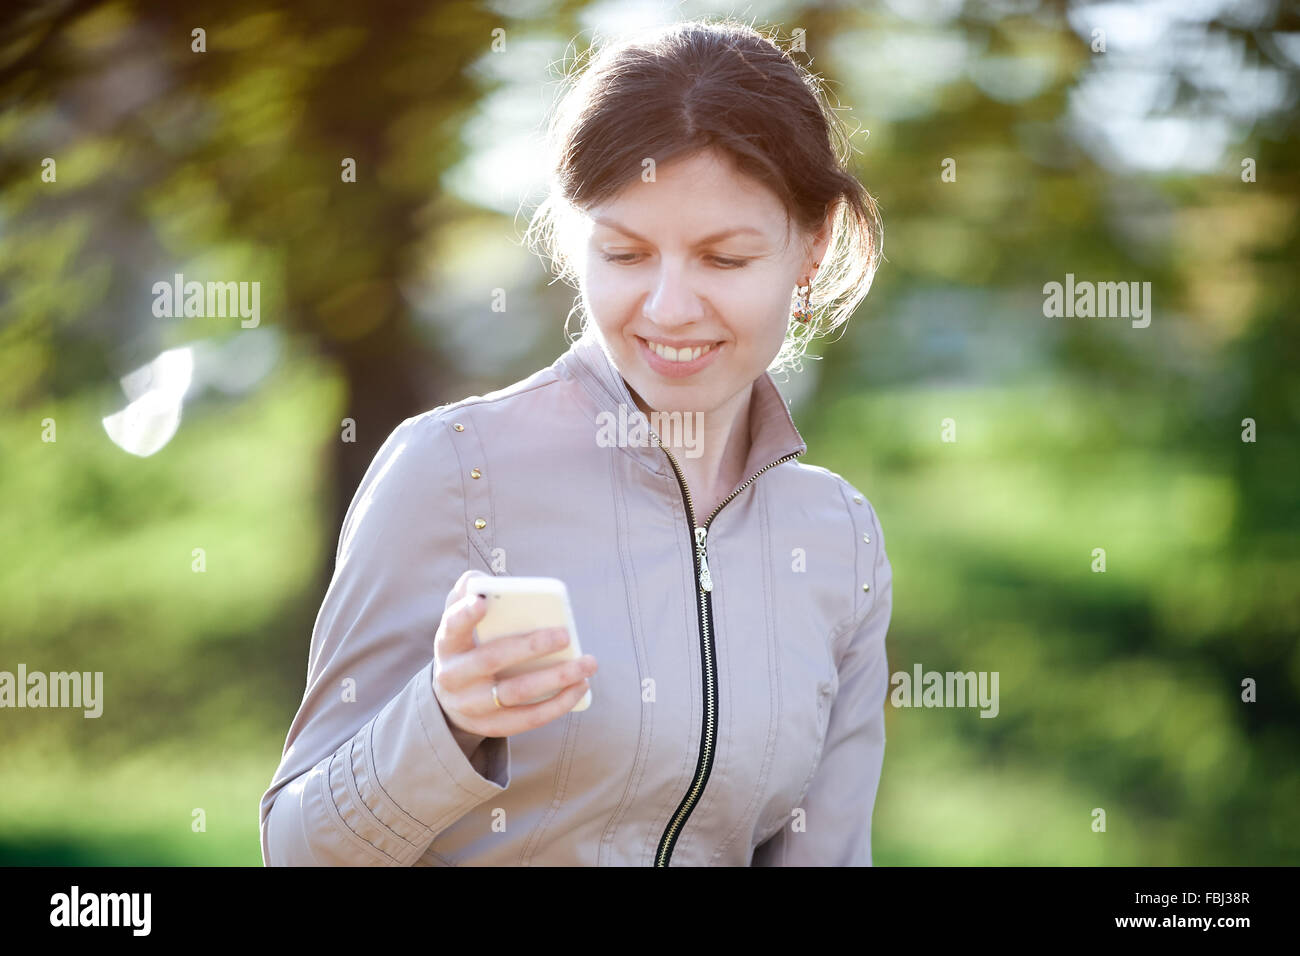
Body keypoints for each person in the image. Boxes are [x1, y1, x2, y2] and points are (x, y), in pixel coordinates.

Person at [260, 17, 891, 867]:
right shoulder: (454, 470)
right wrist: (443, 722)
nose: (669, 308)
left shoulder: (838, 538)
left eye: (724, 260)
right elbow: (295, 849)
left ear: (811, 249)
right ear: (574, 240)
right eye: (626, 254)